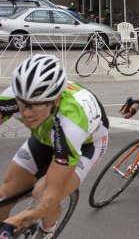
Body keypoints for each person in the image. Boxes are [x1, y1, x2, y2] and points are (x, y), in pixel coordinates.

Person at [0, 55, 109, 239]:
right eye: (22, 104)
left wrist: (16, 220)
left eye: (34, 107)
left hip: (87, 144)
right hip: (46, 136)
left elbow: (52, 193)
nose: (25, 113)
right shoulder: (17, 95)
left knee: (42, 193)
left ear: (55, 100)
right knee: (5, 196)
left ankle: (48, 230)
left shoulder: (72, 123)